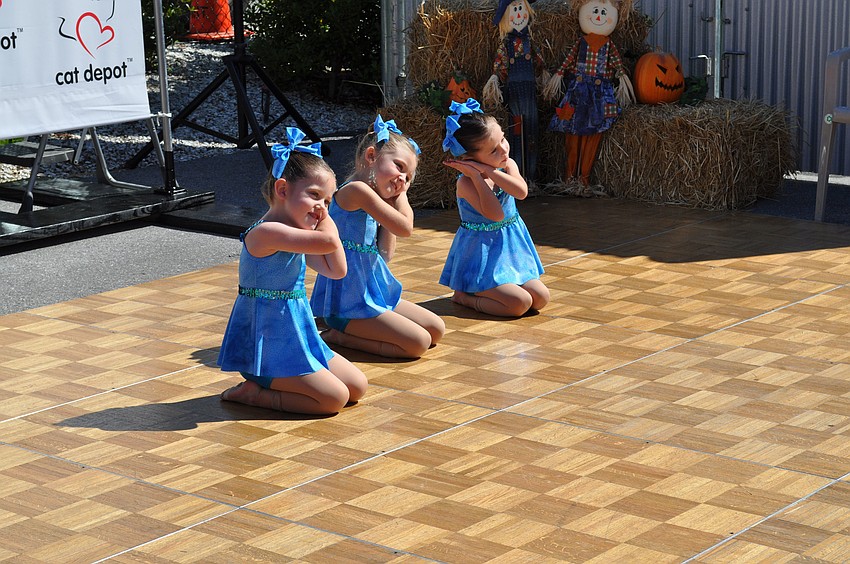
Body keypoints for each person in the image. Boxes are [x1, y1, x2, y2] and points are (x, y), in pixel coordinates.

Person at [218, 127, 368, 415]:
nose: (322, 208)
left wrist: (321, 214)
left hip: (296, 335)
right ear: (283, 189)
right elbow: (328, 241)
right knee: (333, 399)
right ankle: (256, 394)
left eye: (327, 201)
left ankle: (289, 381)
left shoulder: (296, 234)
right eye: (315, 196)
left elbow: (337, 270)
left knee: (356, 386)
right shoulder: (268, 233)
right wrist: (329, 217)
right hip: (269, 345)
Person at [310, 116, 445, 358]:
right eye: (400, 167)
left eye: (409, 178)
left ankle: (351, 331)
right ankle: (338, 334)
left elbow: (385, 254)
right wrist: (400, 197)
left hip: (371, 294)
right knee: (418, 343)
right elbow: (406, 227)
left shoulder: (375, 198)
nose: (403, 180)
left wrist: (393, 196)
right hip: (347, 303)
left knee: (436, 329)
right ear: (371, 156)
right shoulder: (356, 191)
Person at [440, 98, 549, 317]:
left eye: (503, 139)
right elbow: (496, 214)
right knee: (518, 304)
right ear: (470, 158)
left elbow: (521, 192)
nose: (504, 150)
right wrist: (477, 176)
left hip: (510, 250)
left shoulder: (507, 165)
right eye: (493, 150)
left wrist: (489, 171)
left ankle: (502, 288)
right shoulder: (466, 183)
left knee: (540, 298)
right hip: (482, 257)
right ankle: (466, 297)